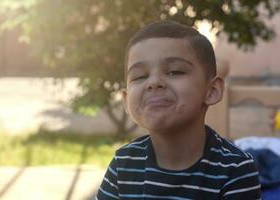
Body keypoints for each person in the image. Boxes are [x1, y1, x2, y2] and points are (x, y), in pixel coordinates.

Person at [96, 20, 261, 199]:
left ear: (212, 90)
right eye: (140, 76)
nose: (153, 83)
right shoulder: (123, 164)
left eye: (175, 71)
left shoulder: (235, 169)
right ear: (127, 100)